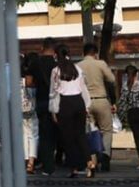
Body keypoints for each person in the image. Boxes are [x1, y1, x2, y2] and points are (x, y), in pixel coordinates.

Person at [49, 45, 92, 178]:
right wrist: (87, 106)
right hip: (79, 102)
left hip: (65, 103)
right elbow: (83, 88)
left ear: (56, 55)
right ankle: (90, 162)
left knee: (68, 137)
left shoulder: (56, 71)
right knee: (80, 134)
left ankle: (74, 167)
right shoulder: (77, 69)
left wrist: (53, 110)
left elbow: (53, 92)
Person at [77, 42, 116, 172]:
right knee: (106, 130)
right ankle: (105, 157)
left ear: (83, 53)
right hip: (101, 100)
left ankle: (92, 161)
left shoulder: (78, 66)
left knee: (89, 132)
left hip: (86, 103)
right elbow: (111, 79)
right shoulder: (101, 64)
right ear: (96, 53)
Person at [30, 37, 58, 175]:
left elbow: (29, 82)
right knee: (59, 133)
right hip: (57, 102)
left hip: (42, 101)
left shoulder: (36, 62)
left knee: (45, 134)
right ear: (54, 49)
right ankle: (75, 164)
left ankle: (48, 166)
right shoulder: (57, 63)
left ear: (43, 47)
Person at [118, 65, 139, 170]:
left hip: (133, 114)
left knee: (138, 137)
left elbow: (122, 103)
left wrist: (121, 117)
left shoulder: (125, 86)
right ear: (137, 74)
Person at [21, 53, 39, 174]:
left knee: (23, 134)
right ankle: (31, 162)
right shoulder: (37, 77)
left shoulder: (19, 76)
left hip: (20, 109)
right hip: (33, 109)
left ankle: (25, 159)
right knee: (33, 135)